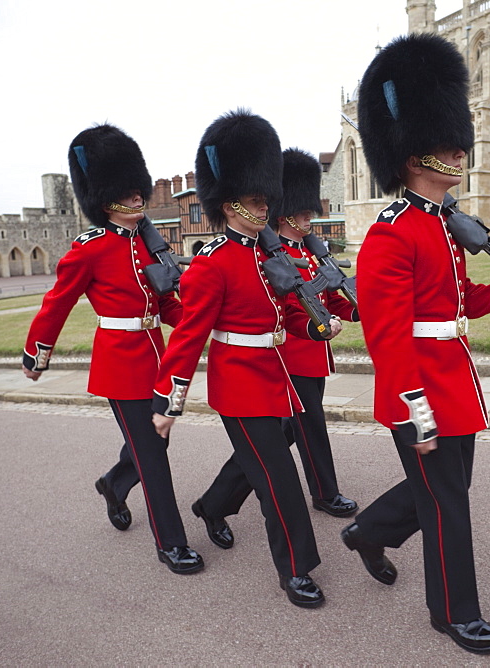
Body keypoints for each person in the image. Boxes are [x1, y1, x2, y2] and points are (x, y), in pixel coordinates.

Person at [344, 34, 490, 655]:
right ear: (409, 154)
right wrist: (417, 406)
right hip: (421, 391)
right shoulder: (390, 235)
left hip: (454, 379)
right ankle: (454, 614)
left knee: (445, 492)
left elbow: (459, 302)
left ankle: (367, 532)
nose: (456, 150)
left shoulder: (444, 226)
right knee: (447, 509)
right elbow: (385, 335)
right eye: (442, 143)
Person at [152, 110, 339, 608]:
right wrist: (169, 401)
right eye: (257, 198)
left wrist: (316, 325)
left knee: (264, 458)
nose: (266, 204)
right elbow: (188, 336)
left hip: (275, 374)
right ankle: (296, 570)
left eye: (265, 196)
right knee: (280, 478)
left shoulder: (266, 254)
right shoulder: (213, 261)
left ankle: (212, 506)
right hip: (239, 385)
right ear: (230, 202)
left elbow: (284, 317)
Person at [22, 123, 203, 576]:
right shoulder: (89, 248)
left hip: (155, 356)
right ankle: (171, 544)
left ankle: (113, 483)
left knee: (151, 443)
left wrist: (201, 327)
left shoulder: (146, 242)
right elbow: (57, 302)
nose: (139, 197)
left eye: (138, 188)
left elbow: (163, 303)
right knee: (154, 454)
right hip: (119, 363)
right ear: (106, 198)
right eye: (129, 191)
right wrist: (38, 352)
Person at [271, 149, 359, 516]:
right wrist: (314, 328)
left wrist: (356, 309)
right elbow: (291, 310)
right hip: (295, 354)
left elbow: (324, 299)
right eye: (304, 211)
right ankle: (325, 493)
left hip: (314, 354)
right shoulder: (276, 256)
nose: (310, 216)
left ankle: (218, 499)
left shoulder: (308, 253)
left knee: (285, 435)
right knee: (311, 428)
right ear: (286, 213)